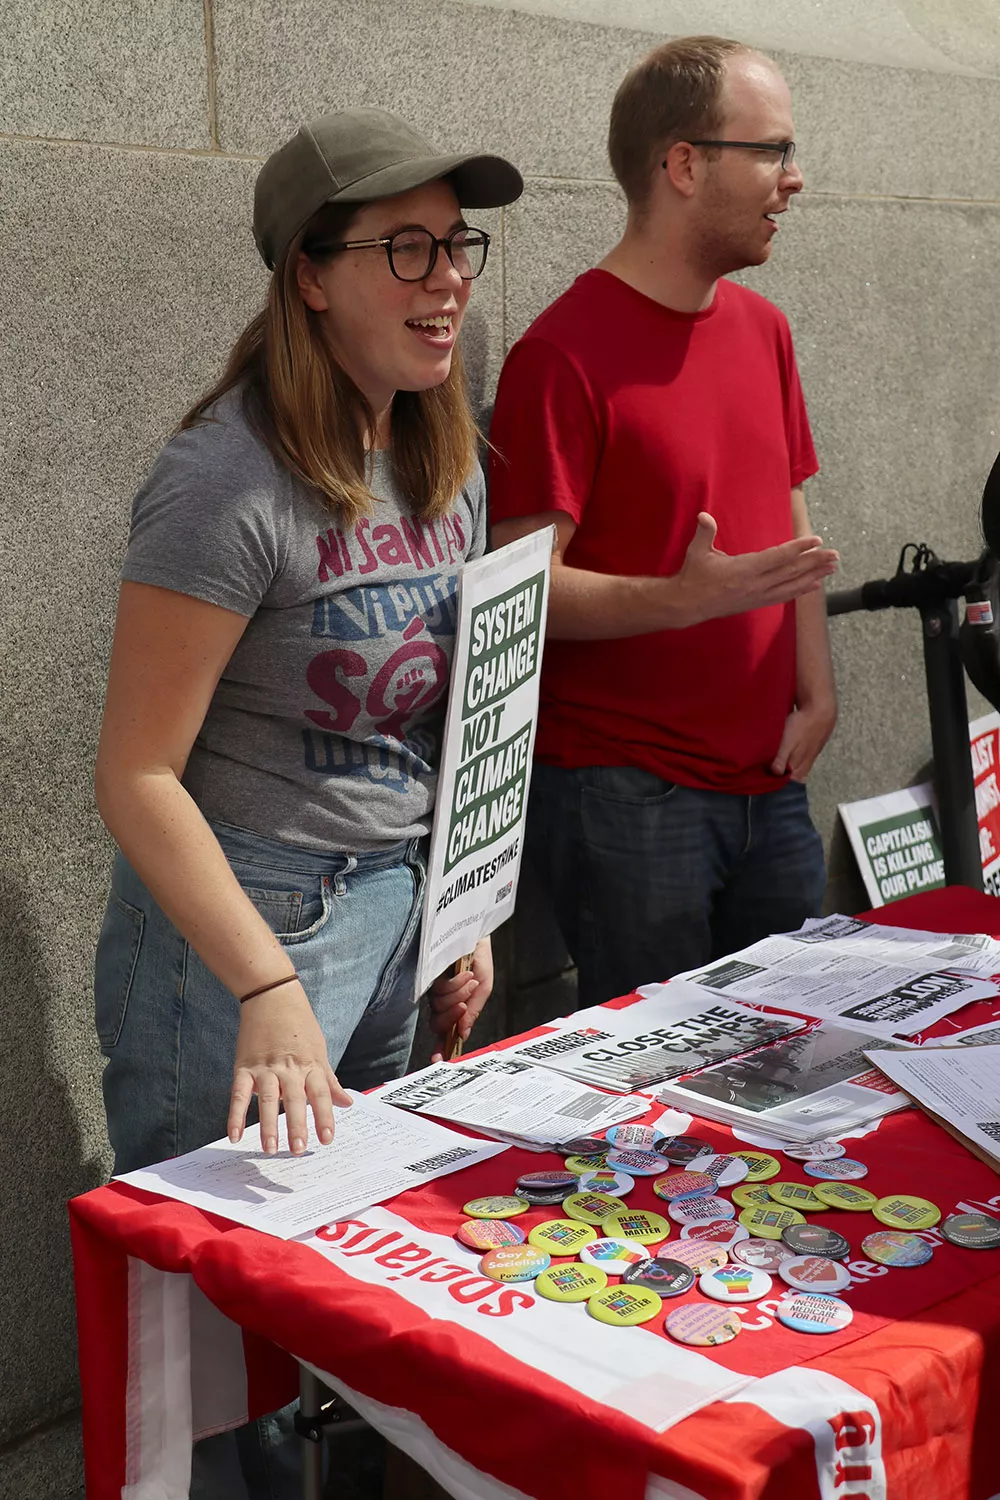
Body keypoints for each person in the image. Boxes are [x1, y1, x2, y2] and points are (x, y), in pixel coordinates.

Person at [93, 107, 522, 1497]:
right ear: (309, 275)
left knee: (351, 1306)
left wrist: (457, 902)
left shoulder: (438, 446)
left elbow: (441, 706)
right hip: (241, 950)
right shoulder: (225, 480)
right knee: (231, 1366)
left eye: (456, 242)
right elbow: (135, 774)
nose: (447, 274)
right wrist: (270, 985)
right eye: (406, 246)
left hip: (393, 920)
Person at [489, 37, 838, 1007]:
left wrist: (815, 688)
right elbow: (518, 594)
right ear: (682, 164)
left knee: (793, 1057)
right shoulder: (560, 354)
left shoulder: (763, 329)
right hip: (626, 797)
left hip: (770, 777)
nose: (793, 179)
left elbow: (789, 509)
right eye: (769, 151)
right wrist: (678, 601)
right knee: (662, 1103)